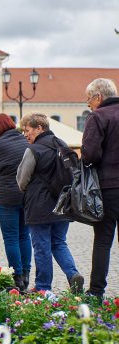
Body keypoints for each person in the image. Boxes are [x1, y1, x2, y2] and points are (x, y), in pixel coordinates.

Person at [16, 113, 84, 293]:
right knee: (59, 243)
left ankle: (43, 287)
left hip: (39, 206)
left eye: (27, 130)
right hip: (63, 204)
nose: (25, 134)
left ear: (39, 128)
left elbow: (22, 179)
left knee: (42, 247)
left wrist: (28, 191)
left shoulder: (34, 150)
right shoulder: (62, 144)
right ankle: (73, 274)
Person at [81, 78, 119, 299]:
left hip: (108, 186)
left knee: (103, 240)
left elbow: (91, 154)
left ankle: (96, 292)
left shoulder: (98, 117)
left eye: (89, 101)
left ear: (98, 97)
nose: (90, 106)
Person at [0, 113, 31, 290]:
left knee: (10, 238)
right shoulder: (25, 140)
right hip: (26, 195)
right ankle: (26, 275)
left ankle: (17, 277)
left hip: (6, 197)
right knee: (24, 235)